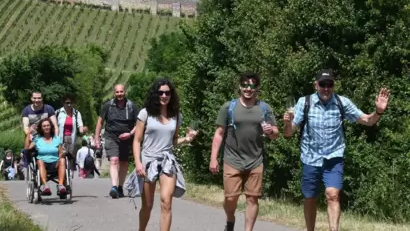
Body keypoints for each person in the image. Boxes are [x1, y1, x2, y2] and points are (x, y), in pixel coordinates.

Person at [283, 69, 390, 231]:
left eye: (330, 84)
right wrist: (286, 123)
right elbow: (288, 133)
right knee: (310, 198)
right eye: (322, 84)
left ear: (334, 86)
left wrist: (379, 111)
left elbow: (367, 120)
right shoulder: (304, 103)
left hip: (334, 158)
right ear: (316, 85)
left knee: (333, 195)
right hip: (310, 158)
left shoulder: (342, 102)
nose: (326, 88)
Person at [209, 73, 279, 231]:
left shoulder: (264, 108)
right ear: (240, 87)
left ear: (257, 89)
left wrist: (271, 131)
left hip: (255, 160)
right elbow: (219, 134)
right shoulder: (229, 107)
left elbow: (276, 133)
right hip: (232, 159)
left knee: (253, 199)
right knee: (231, 198)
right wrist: (213, 159)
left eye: (252, 86)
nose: (248, 89)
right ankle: (230, 221)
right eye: (245, 85)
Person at [131, 78, 197, 231]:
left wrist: (187, 139)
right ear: (156, 94)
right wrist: (138, 163)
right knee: (147, 206)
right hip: (148, 161)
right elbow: (137, 140)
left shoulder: (176, 116)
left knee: (166, 201)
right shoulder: (145, 113)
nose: (164, 95)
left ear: (171, 95)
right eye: (161, 92)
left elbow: (173, 141)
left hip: (167, 161)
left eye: (167, 92)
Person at [94, 84, 139, 198]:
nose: (119, 94)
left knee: (123, 162)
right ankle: (114, 187)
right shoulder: (108, 106)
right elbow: (100, 122)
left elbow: (139, 123)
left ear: (125, 92)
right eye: (117, 92)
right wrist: (97, 138)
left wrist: (130, 134)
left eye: (121, 92)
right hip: (111, 137)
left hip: (127, 139)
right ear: (114, 93)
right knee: (114, 160)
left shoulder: (132, 106)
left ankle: (120, 187)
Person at [24, 117, 67, 197]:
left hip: (55, 163)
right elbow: (27, 148)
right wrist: (28, 133)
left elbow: (60, 152)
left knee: (62, 160)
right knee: (39, 160)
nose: (46, 127)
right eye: (44, 126)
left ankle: (60, 185)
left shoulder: (56, 139)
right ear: (41, 128)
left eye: (48, 125)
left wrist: (62, 156)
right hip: (42, 164)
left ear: (51, 126)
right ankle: (45, 186)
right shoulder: (37, 139)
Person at [55, 93, 88, 179]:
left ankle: (69, 174)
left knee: (70, 158)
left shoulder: (76, 113)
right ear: (63, 103)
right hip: (60, 139)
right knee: (61, 157)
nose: (69, 105)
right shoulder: (58, 112)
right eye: (67, 103)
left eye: (70, 103)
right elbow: (54, 126)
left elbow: (80, 127)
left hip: (71, 139)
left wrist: (84, 129)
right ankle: (60, 173)